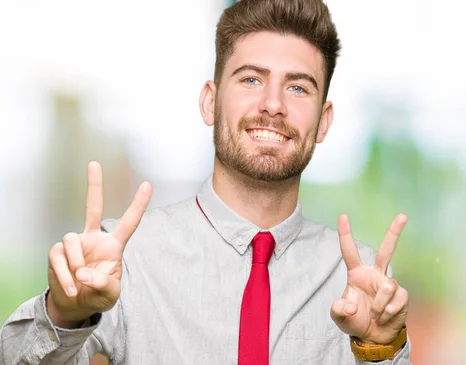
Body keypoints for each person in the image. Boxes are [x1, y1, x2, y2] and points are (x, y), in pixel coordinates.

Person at [0, 0, 413, 363]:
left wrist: (380, 351)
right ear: (209, 103)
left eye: (298, 87)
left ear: (323, 122)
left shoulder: (360, 279)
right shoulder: (125, 259)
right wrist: (64, 314)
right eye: (251, 79)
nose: (273, 105)